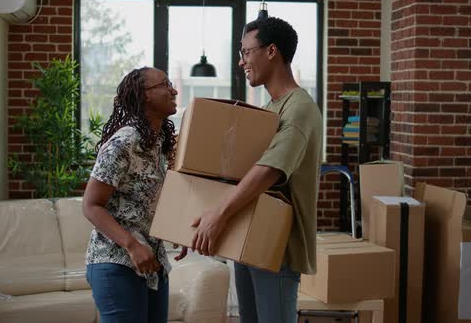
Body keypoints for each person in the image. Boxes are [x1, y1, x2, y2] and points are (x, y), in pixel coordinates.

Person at [191, 17, 323, 323]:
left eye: (247, 52)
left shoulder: (299, 108)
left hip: (276, 244)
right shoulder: (269, 109)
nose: (242, 62)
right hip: (249, 235)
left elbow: (269, 171)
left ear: (271, 51)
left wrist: (218, 215)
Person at [83, 67, 186, 323]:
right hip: (117, 262)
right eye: (165, 84)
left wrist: (180, 230)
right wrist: (132, 245)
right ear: (144, 96)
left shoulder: (160, 144)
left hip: (152, 263)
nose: (173, 90)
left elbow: (151, 199)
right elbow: (91, 205)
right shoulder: (124, 142)